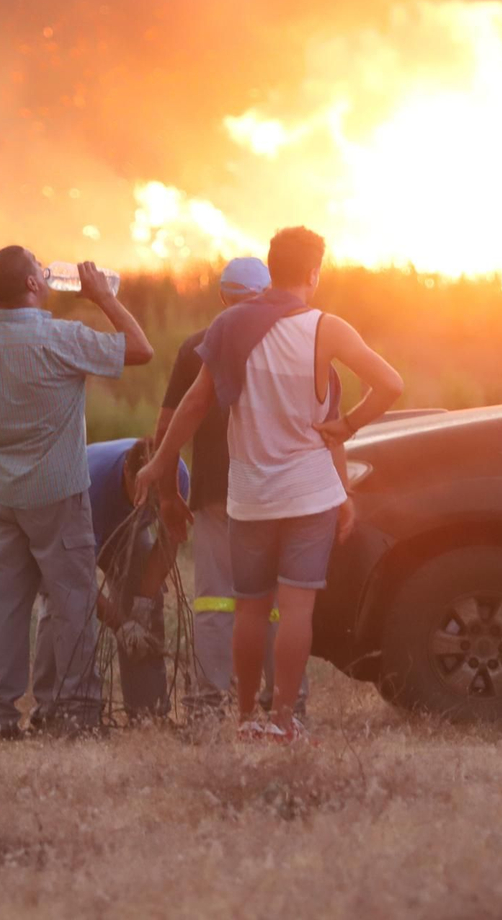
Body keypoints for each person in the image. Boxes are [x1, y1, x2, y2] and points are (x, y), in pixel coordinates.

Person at [136, 227, 404, 742]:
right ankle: (284, 717)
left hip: (249, 495)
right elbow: (390, 383)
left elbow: (192, 406)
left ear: (271, 265)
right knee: (296, 608)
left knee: (250, 608)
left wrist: (159, 464)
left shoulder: (228, 325)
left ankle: (244, 719)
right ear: (313, 272)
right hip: (310, 494)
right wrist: (347, 426)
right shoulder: (327, 327)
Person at [0, 250, 153, 740]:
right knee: (72, 602)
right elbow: (140, 349)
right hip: (59, 493)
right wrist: (105, 297)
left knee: (8, 602)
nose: (48, 276)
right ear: (30, 282)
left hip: (5, 493)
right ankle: (74, 711)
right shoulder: (60, 338)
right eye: (42, 270)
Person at [154, 257, 304, 716]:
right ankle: (285, 702)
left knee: (214, 597)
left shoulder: (196, 347)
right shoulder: (291, 344)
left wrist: (168, 495)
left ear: (222, 297)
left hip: (215, 495)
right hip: (276, 492)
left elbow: (166, 431)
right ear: (266, 294)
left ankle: (206, 704)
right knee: (277, 601)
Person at [29, 439, 190, 728]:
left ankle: (148, 712)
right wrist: (121, 624)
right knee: (63, 602)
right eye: (144, 491)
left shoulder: (177, 477)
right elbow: (77, 580)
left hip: (125, 527)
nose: (151, 503)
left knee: (147, 603)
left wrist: (141, 602)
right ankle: (52, 709)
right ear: (128, 474)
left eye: (158, 495)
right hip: (69, 513)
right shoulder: (88, 488)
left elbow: (169, 539)